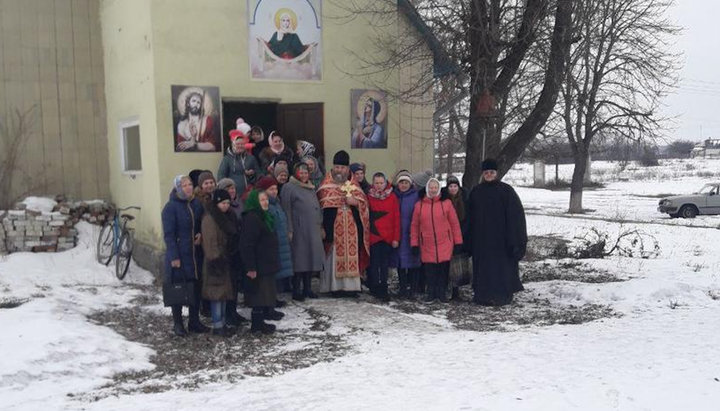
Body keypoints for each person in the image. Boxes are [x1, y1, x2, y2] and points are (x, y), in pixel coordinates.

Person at [467, 159, 527, 306]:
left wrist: (516, 240)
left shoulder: (506, 191)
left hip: (502, 240)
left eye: (491, 172)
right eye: (486, 172)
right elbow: (470, 217)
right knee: (483, 269)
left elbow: (516, 216)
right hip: (481, 240)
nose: (489, 174)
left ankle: (503, 296)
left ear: (496, 173)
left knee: (502, 269)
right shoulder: (476, 191)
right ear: (483, 174)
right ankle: (483, 296)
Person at [161, 175, 209, 336]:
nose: (188, 187)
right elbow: (169, 235)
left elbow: (201, 223)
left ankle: (194, 321)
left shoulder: (195, 204)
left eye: (190, 184)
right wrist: (174, 257)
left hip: (195, 254)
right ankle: (178, 323)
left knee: (194, 287)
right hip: (180, 254)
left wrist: (200, 234)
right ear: (178, 188)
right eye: (184, 185)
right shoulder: (170, 208)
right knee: (179, 288)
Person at [317, 150, 371, 295]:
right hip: (333, 228)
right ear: (333, 167)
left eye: (342, 167)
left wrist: (355, 202)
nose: (339, 170)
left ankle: (351, 287)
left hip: (352, 228)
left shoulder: (354, 185)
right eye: (337, 167)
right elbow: (319, 206)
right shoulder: (325, 184)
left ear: (347, 168)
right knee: (334, 255)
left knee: (352, 253)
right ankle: (334, 287)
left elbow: (364, 203)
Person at [411, 178, 463, 303]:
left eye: (435, 187)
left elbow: (454, 223)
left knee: (443, 270)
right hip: (427, 243)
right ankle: (431, 292)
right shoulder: (419, 205)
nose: (433, 190)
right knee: (430, 270)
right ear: (427, 189)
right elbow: (414, 226)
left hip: (444, 242)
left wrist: (458, 242)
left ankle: (441, 292)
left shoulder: (446, 203)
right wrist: (414, 243)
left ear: (439, 189)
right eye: (431, 187)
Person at [281, 162, 325, 301]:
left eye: (306, 173)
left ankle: (308, 288)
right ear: (296, 174)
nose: (304, 175)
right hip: (298, 230)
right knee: (299, 261)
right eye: (302, 173)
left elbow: (316, 206)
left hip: (312, 229)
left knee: (310, 259)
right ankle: (296, 290)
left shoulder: (311, 187)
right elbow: (286, 209)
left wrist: (320, 225)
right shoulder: (289, 187)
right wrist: (289, 229)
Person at [240, 189, 282, 334]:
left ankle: (260, 321)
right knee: (258, 294)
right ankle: (257, 324)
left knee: (265, 293)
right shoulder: (252, 218)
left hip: (266, 262)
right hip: (258, 264)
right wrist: (251, 267)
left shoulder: (264, 216)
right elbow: (247, 245)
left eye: (266, 199)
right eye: (262, 200)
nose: (265, 202)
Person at [200, 189, 238, 337]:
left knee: (222, 294)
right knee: (216, 295)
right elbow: (210, 242)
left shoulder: (225, 217)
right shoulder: (210, 219)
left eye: (228, 203)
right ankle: (217, 325)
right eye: (223, 203)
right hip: (215, 262)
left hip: (224, 259)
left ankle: (222, 323)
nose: (226, 206)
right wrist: (216, 258)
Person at [256, 176, 292, 314]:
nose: (275, 191)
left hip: (280, 241)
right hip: (272, 242)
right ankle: (270, 300)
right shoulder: (266, 205)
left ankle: (274, 298)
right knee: (272, 273)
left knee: (278, 270)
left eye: (276, 188)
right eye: (271, 189)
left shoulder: (277, 203)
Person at [216, 178, 247, 325]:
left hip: (238, 248)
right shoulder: (221, 209)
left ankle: (233, 311)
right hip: (228, 250)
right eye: (228, 189)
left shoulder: (238, 203)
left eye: (233, 188)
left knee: (235, 283)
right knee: (228, 284)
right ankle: (227, 314)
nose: (232, 191)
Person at [366, 172, 400, 301]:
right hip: (373, 236)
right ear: (373, 183)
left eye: (381, 183)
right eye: (376, 183)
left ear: (385, 183)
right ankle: (375, 287)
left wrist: (396, 238)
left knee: (384, 264)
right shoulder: (369, 197)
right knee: (374, 264)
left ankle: (384, 287)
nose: (379, 185)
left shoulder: (392, 197)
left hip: (387, 237)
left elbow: (396, 218)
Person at [390, 170, 422, 299]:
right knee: (401, 263)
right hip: (398, 234)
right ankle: (402, 288)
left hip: (412, 234)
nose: (403, 185)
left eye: (406, 182)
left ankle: (413, 289)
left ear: (410, 184)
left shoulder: (416, 197)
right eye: (401, 183)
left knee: (413, 262)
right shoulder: (394, 196)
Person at [442, 176, 471, 301]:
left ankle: (457, 290)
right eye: (450, 186)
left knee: (458, 263)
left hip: (462, 233)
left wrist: (462, 232)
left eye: (455, 186)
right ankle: (447, 287)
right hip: (446, 235)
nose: (453, 189)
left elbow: (468, 217)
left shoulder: (464, 199)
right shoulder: (443, 200)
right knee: (447, 263)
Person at [217, 126, 259, 197]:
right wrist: (226, 190)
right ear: (233, 145)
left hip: (249, 193)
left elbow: (258, 173)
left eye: (242, 144)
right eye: (238, 144)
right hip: (233, 194)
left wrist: (252, 174)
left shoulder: (251, 158)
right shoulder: (227, 159)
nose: (240, 146)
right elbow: (221, 176)